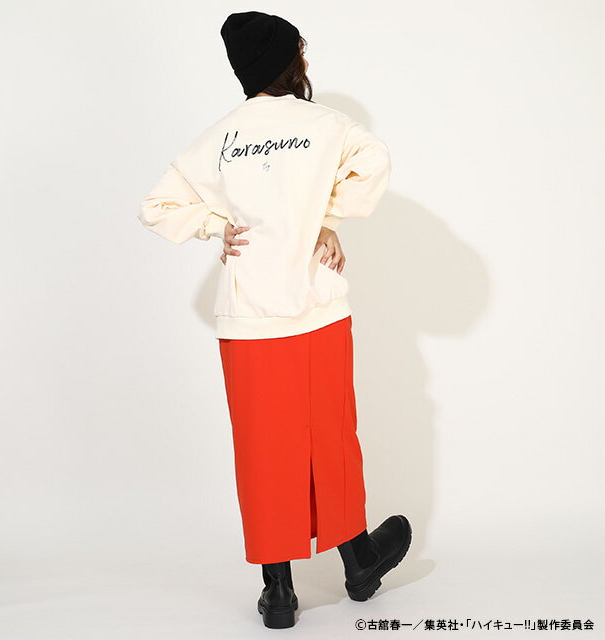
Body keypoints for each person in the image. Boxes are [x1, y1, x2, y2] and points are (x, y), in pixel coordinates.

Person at [138, 10, 412, 629]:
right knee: (331, 435)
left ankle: (279, 590)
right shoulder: (327, 124)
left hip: (249, 317)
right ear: (294, 61)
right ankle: (360, 563)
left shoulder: (220, 137)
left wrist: (216, 226)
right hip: (316, 305)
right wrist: (326, 220)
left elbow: (156, 206)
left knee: (263, 448)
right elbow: (375, 161)